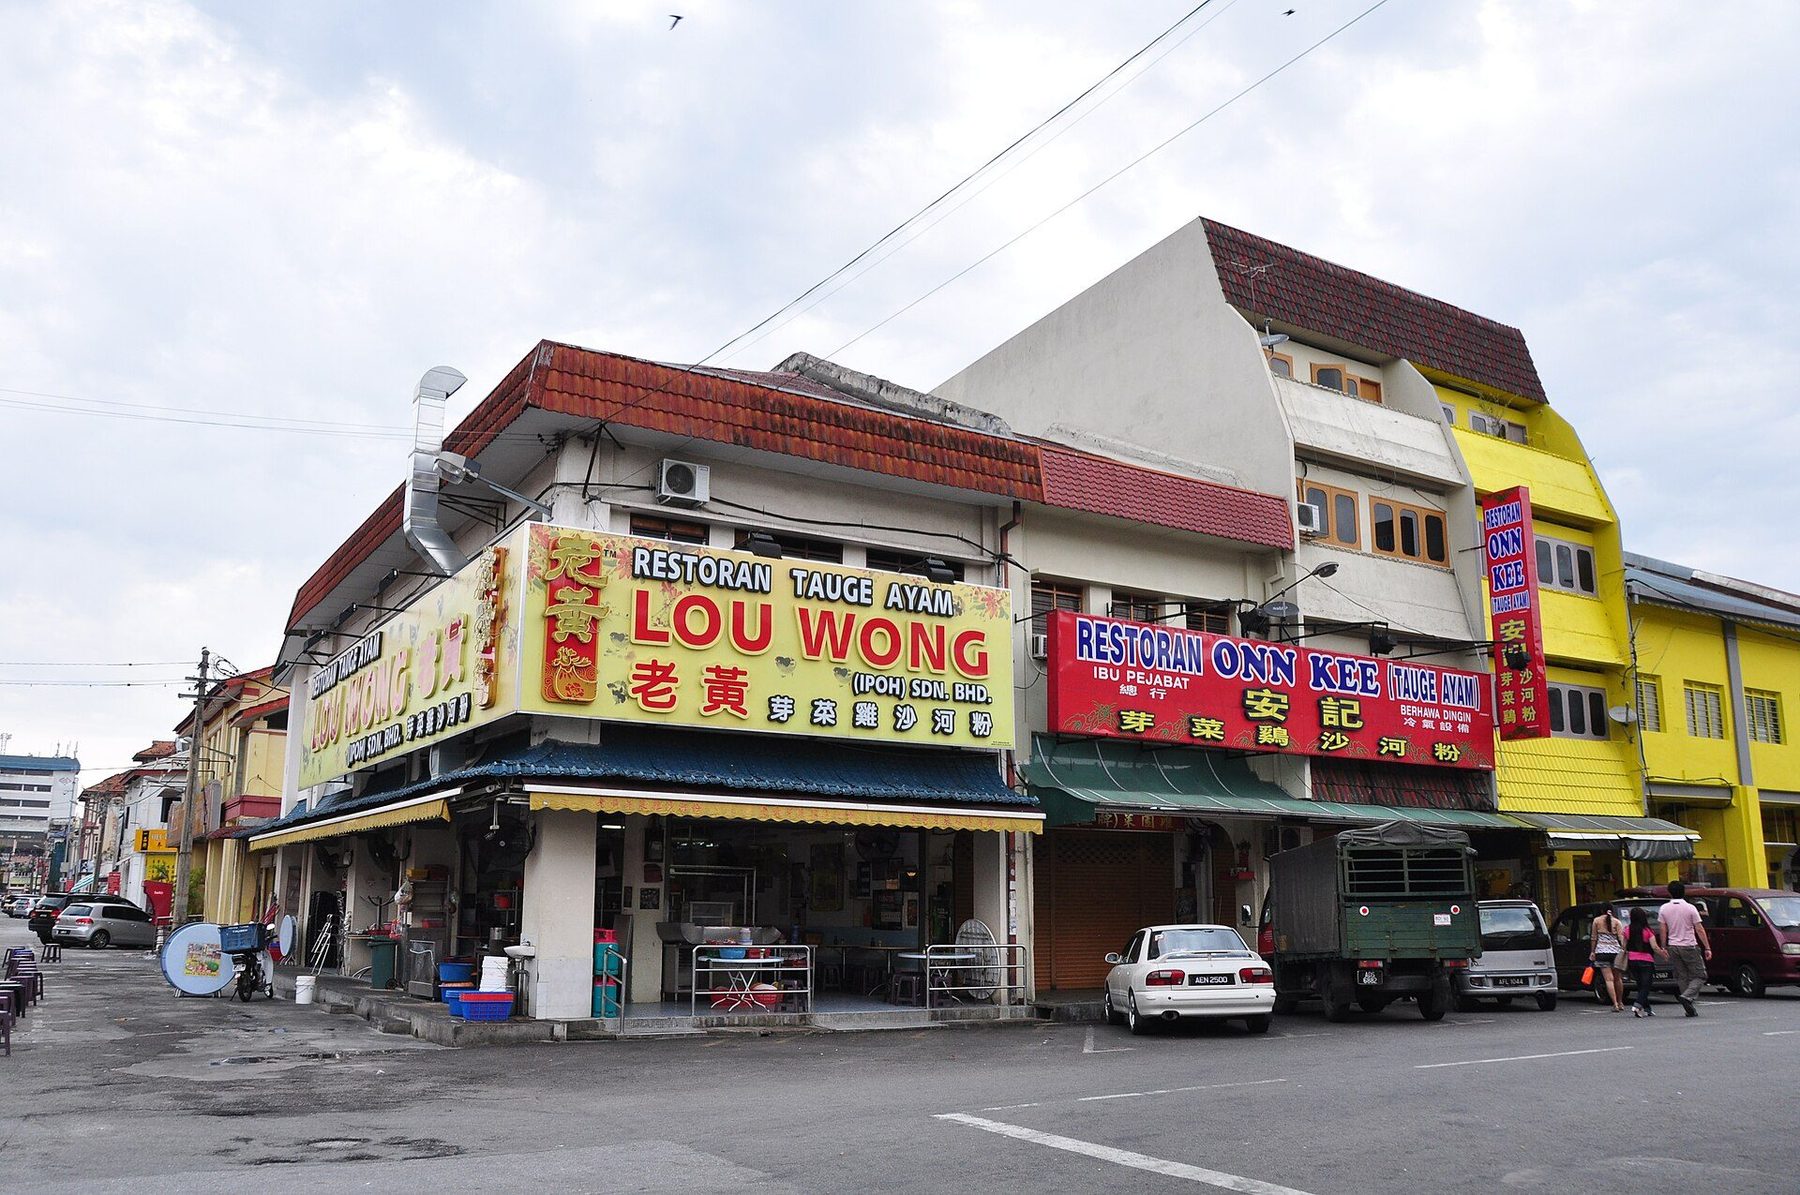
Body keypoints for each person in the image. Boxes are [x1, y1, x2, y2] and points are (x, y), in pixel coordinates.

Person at [1657, 880, 1712, 1017]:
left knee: (1682, 976)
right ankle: (1688, 996)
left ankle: (1688, 1005)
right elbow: (1699, 928)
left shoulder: (1664, 908)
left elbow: (1663, 929)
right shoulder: (1690, 908)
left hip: (1673, 945)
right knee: (1700, 975)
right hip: (1689, 945)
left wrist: (1663, 946)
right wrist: (1707, 947)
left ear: (1670, 893)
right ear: (1683, 892)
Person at [1624, 906, 1666, 1017]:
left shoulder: (1627, 930)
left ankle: (1646, 1009)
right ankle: (1637, 1005)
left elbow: (1624, 946)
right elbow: (1654, 947)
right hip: (1646, 961)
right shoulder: (1647, 931)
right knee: (1646, 986)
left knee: (1640, 985)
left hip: (1632, 960)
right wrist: (1663, 954)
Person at [1589, 906, 1627, 1011]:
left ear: (1601, 910)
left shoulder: (1596, 921)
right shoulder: (1617, 922)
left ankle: (1614, 1004)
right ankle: (1620, 1002)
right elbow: (1621, 937)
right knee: (1618, 979)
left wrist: (1592, 951)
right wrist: (1624, 950)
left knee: (1608, 979)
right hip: (1616, 952)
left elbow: (1593, 938)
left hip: (1601, 952)